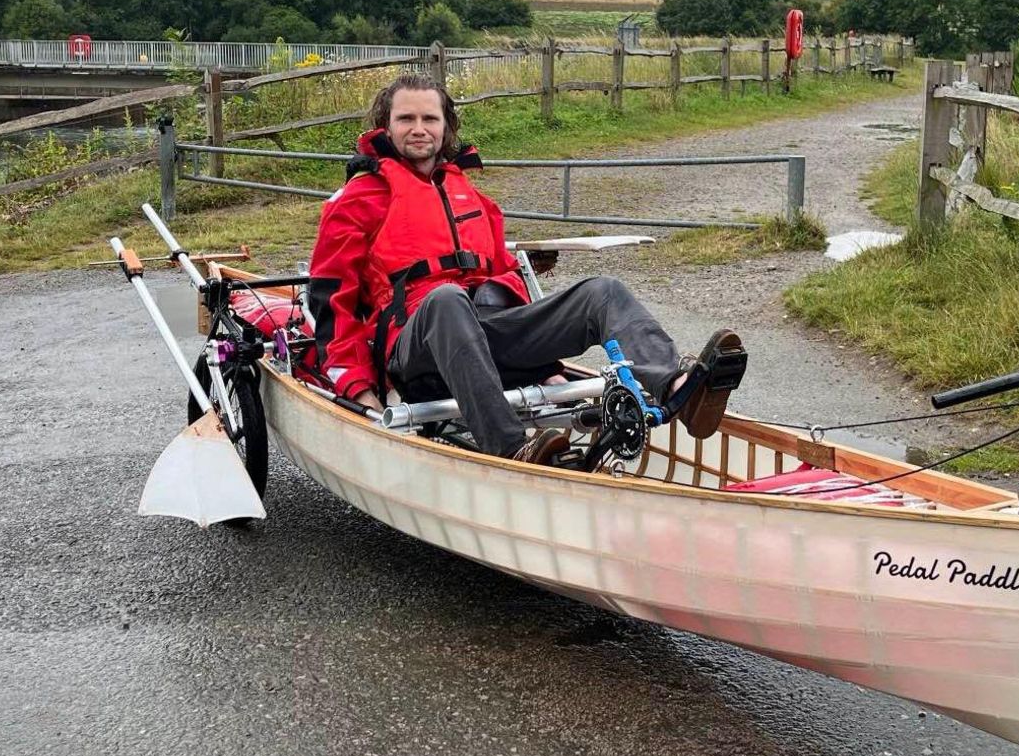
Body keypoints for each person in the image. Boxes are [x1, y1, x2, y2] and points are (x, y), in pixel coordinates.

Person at [306, 74, 745, 464]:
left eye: (430, 119)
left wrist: (542, 367)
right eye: (406, 119)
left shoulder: (475, 202)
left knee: (602, 292)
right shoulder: (358, 200)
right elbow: (332, 304)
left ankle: (680, 390)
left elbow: (506, 281)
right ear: (386, 127)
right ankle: (512, 447)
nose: (419, 129)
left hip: (487, 335)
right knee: (447, 299)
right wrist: (357, 388)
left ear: (446, 127)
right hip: (416, 348)